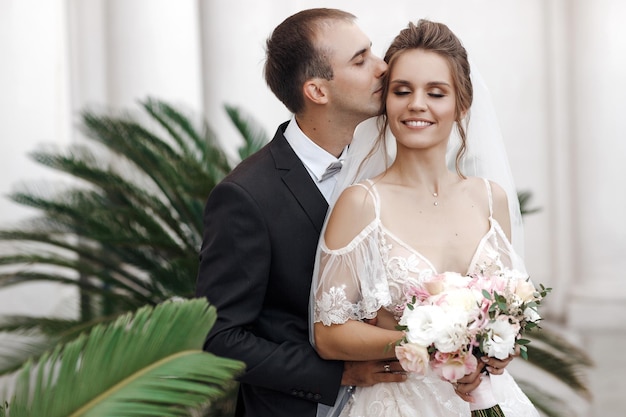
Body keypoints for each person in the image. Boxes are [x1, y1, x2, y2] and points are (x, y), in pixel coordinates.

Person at [310, 19, 539, 417]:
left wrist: (498, 348)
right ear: (387, 102)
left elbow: (508, 313)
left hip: (491, 398)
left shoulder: (491, 198)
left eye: (436, 93)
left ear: (461, 105)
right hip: (400, 403)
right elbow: (328, 334)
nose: (417, 104)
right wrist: (426, 342)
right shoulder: (362, 204)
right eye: (402, 91)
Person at [195, 8, 407, 417]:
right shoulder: (246, 196)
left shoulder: (387, 168)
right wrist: (339, 374)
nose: (383, 68)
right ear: (317, 91)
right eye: (360, 60)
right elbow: (218, 337)